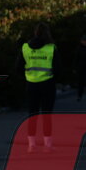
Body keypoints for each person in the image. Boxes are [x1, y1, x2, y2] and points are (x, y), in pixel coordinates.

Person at [15, 22, 61, 152]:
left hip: (31, 84)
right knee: (47, 115)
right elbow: (58, 68)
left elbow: (17, 67)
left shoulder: (25, 48)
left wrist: (27, 76)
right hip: (48, 84)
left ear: (35, 32)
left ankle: (32, 144)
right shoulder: (51, 48)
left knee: (32, 114)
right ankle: (47, 145)